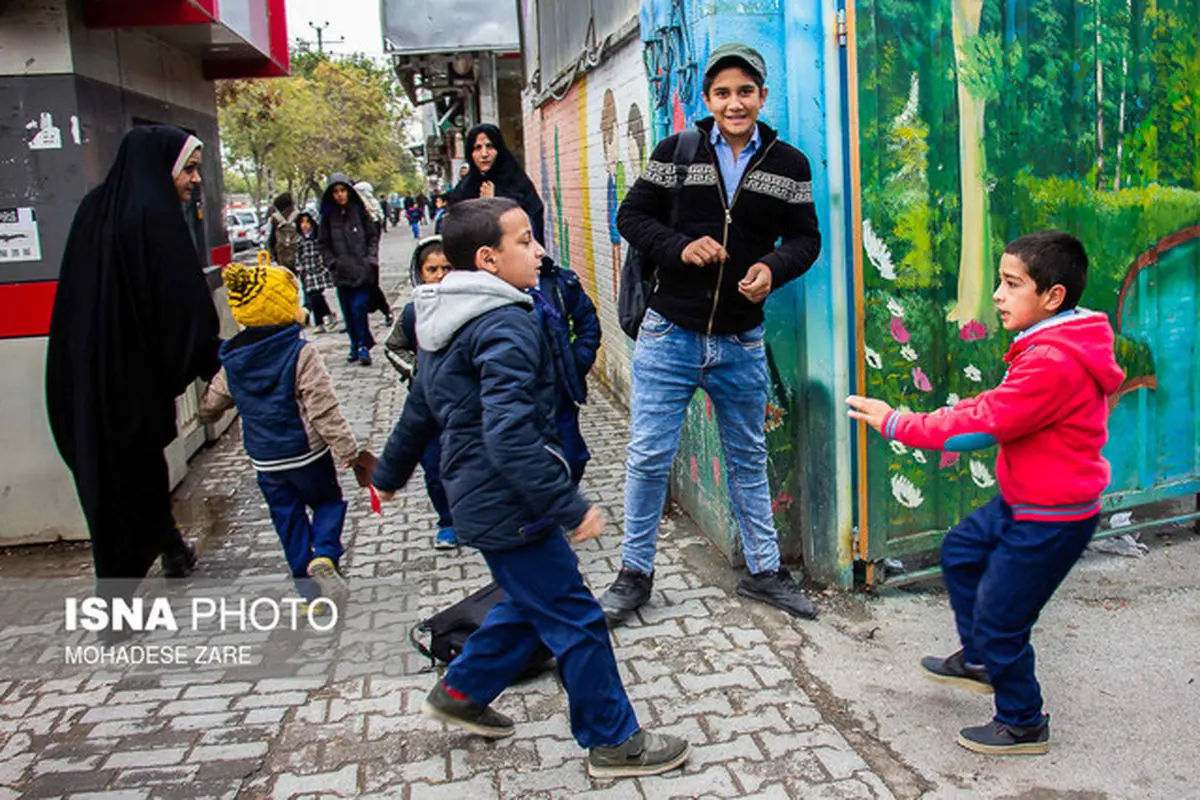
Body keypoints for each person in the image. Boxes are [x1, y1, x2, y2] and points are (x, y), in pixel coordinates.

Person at [370, 198, 690, 779]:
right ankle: (614, 742)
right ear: (489, 258)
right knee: (576, 616)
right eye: (525, 241)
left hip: (485, 496)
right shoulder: (504, 323)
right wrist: (568, 505)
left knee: (528, 602)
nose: (539, 251)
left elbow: (419, 407)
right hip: (510, 499)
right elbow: (509, 433)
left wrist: (387, 476)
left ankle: (461, 692)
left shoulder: (444, 315)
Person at [846, 231, 1124, 756]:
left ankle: (1022, 722)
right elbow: (1000, 407)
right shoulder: (1051, 342)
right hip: (1027, 499)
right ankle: (979, 659)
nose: (997, 294)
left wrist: (896, 422)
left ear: (1054, 296)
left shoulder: (1054, 362)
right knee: (962, 551)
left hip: (1053, 516)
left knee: (1002, 619)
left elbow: (983, 425)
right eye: (999, 280)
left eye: (1011, 283)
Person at [602, 43, 822, 625]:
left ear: (762, 97)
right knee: (649, 457)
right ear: (707, 100)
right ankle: (633, 575)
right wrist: (680, 246)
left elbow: (806, 240)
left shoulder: (789, 164)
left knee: (747, 457)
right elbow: (631, 216)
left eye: (745, 91)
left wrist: (771, 270)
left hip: (740, 341)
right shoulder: (676, 152)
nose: (734, 102)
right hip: (669, 333)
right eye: (722, 93)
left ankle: (765, 572)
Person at [46, 125, 221, 597]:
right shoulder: (153, 216)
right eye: (188, 168)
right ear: (160, 166)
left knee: (111, 473)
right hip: (130, 383)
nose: (194, 180)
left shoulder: (93, 210)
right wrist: (213, 363)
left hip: (82, 376)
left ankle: (168, 547)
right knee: (136, 476)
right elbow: (182, 302)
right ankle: (116, 592)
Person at [200, 262, 366, 608]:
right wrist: (348, 450)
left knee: (287, 521)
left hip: (265, 460)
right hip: (306, 453)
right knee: (327, 502)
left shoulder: (234, 358)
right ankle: (324, 553)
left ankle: (309, 596)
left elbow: (214, 401)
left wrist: (207, 413)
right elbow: (322, 408)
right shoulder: (299, 351)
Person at [384, 236, 457, 549]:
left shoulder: (471, 308)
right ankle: (448, 521)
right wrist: (417, 371)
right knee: (435, 466)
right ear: (420, 272)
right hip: (427, 407)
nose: (440, 274)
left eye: (447, 267)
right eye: (432, 269)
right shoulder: (413, 313)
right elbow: (393, 347)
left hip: (465, 405)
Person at [533, 259, 600, 485]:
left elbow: (588, 324)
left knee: (573, 457)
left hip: (558, 394)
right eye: (523, 241)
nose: (538, 250)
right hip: (520, 398)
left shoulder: (555, 281)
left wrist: (576, 362)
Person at [319, 172, 380, 366]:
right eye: (336, 191)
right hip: (341, 272)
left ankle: (363, 345)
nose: (340, 195)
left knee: (358, 308)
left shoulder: (360, 212)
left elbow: (372, 237)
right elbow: (323, 243)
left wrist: (370, 260)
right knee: (348, 312)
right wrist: (332, 262)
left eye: (343, 190)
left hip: (362, 271)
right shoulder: (327, 217)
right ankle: (355, 344)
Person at [448, 124, 545, 245]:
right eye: (478, 148)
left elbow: (532, 222)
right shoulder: (464, 189)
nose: (484, 154)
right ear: (470, 153)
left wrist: (496, 203)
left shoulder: (516, 182)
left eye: (490, 146)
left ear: (499, 149)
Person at [354, 181, 395, 328]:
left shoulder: (373, 214)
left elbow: (373, 238)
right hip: (354, 257)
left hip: (368, 258)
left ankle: (386, 311)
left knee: (371, 287)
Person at [295, 211, 338, 333]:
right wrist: (299, 267)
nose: (305, 225)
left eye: (307, 222)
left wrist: (324, 261)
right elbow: (298, 255)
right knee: (313, 298)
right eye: (302, 222)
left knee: (316, 295)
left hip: (319, 270)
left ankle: (325, 317)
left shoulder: (318, 237)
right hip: (308, 272)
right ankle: (322, 320)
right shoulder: (300, 240)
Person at [267, 192, 301, 272]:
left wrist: (274, 256)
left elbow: (270, 241)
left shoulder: (275, 219)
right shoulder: (299, 216)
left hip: (282, 257)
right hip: (298, 256)